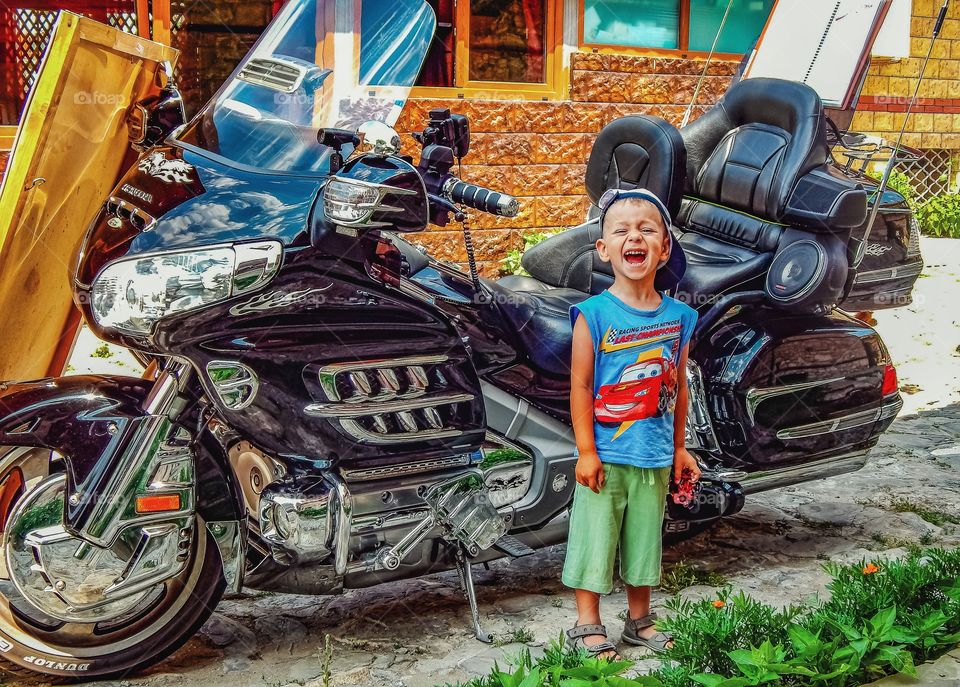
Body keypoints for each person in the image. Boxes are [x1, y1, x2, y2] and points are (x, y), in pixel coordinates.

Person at [562, 188, 701, 659]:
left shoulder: (681, 317)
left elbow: (676, 385)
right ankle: (587, 624)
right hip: (606, 454)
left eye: (646, 230)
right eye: (620, 230)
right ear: (603, 250)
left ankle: (638, 621)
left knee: (645, 540)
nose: (633, 237)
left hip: (655, 454)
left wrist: (680, 448)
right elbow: (581, 386)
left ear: (664, 248)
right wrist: (585, 451)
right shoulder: (594, 315)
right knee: (595, 540)